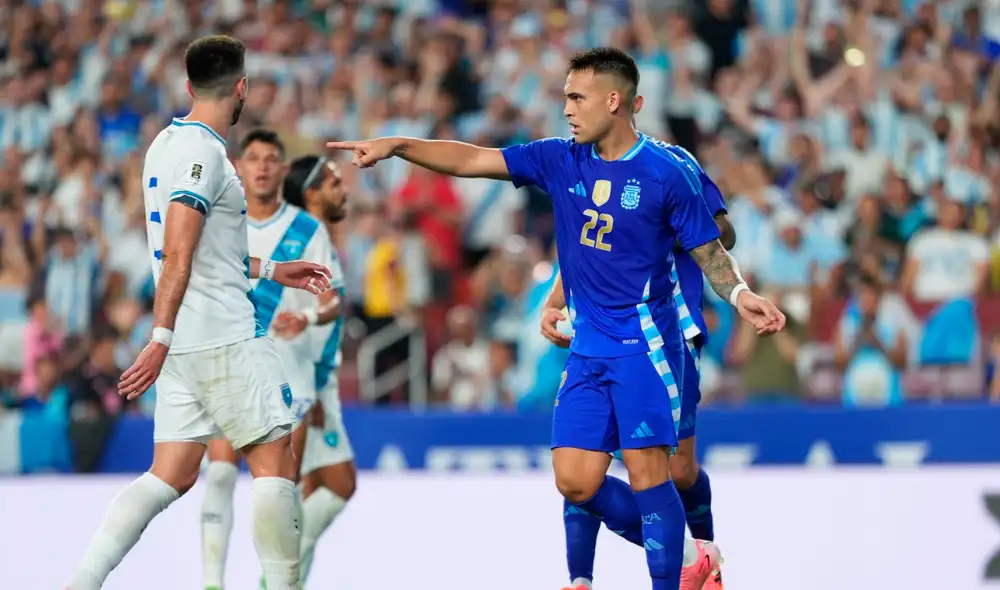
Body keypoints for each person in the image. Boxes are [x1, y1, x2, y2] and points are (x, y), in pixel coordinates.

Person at [329, 47, 785, 590]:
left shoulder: (667, 170)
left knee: (654, 477)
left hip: (646, 343)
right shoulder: (559, 158)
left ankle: (672, 570)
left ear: (614, 101)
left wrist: (739, 294)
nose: (566, 108)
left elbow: (712, 250)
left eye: (576, 96)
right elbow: (474, 159)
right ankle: (691, 553)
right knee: (575, 481)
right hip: (588, 345)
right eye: (565, 96)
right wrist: (400, 146)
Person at [65, 35, 332, 590]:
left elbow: (208, 249)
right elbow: (181, 249)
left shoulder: (165, 143)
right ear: (242, 89)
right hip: (222, 335)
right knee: (274, 463)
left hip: (187, 341)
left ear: (189, 86)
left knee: (171, 474)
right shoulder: (206, 154)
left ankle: (81, 582)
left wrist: (269, 269)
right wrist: (157, 336)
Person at [541, 143, 734, 590]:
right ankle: (581, 577)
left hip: (668, 330)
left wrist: (667, 228)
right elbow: (587, 245)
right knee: (582, 463)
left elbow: (725, 230)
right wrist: (555, 298)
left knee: (675, 471)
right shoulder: (583, 166)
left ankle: (704, 559)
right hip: (601, 328)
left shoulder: (671, 164)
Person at [199, 133, 347, 589]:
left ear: (283, 171)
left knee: (283, 487)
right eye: (254, 159)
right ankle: (212, 583)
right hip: (230, 367)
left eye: (272, 161)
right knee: (220, 473)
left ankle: (277, 582)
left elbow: (333, 299)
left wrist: (306, 316)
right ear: (239, 167)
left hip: (291, 376)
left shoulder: (308, 230)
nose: (262, 168)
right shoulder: (221, 226)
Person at [280, 153, 358, 582]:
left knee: (310, 489)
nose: (342, 189)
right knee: (337, 483)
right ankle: (276, 575)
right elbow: (302, 314)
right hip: (307, 379)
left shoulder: (307, 237)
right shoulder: (309, 240)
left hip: (313, 377)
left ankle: (286, 580)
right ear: (310, 193)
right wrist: (308, 391)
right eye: (333, 183)